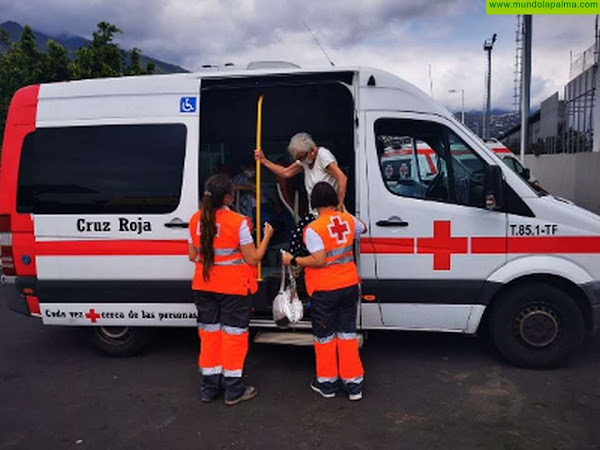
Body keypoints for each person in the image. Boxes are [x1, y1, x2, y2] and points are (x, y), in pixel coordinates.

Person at [188, 174, 274, 406]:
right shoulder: (239, 222)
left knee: (209, 337)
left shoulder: (196, 219)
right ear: (228, 197)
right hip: (233, 289)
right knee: (233, 338)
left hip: (204, 287)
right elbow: (253, 257)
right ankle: (234, 390)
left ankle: (208, 388)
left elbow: (192, 255)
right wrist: (266, 237)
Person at [281, 182, 367, 401]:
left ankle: (327, 384)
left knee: (325, 337)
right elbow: (363, 228)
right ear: (334, 200)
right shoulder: (348, 221)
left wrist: (293, 259)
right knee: (347, 334)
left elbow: (318, 260)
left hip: (325, 289)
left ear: (314, 203)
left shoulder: (314, 229)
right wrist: (343, 209)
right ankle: (354, 384)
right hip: (349, 285)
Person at [254, 132, 348, 256]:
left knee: (310, 244)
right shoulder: (305, 160)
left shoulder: (324, 156)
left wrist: (340, 204)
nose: (301, 161)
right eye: (298, 159)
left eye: (302, 157)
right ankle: (298, 267)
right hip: (314, 212)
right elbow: (286, 173)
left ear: (312, 150)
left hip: (329, 212)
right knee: (297, 239)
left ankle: (300, 265)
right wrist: (264, 161)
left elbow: (342, 178)